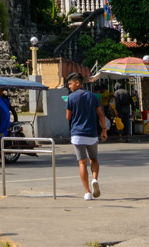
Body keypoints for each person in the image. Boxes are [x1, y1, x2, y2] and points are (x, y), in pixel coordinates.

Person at [64, 72, 109, 201]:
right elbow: (101, 115)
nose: (70, 87)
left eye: (71, 84)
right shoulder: (93, 97)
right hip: (92, 134)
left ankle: (87, 192)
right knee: (93, 159)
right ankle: (94, 179)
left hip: (77, 134)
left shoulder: (71, 98)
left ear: (78, 83)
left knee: (82, 162)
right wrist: (104, 130)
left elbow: (68, 117)